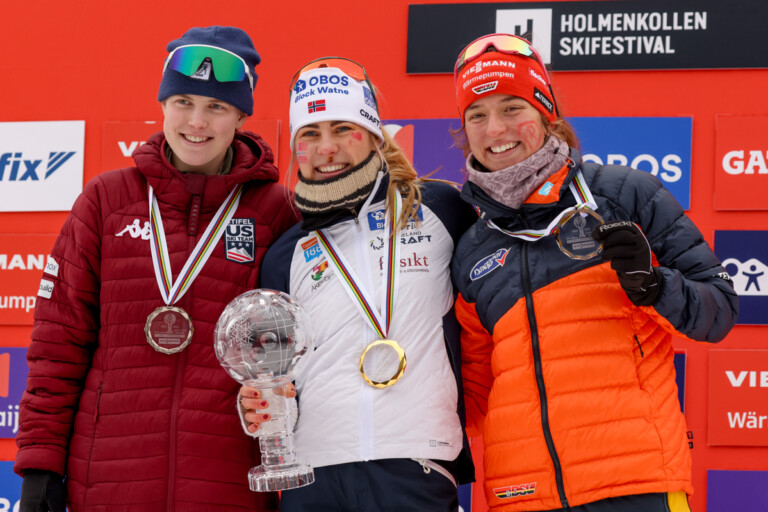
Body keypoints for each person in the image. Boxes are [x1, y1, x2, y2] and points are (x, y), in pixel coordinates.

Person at [14, 26, 299, 512]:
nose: (197, 121)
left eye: (217, 107)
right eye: (183, 101)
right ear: (163, 104)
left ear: (240, 116)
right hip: (107, 479)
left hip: (226, 482)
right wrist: (41, 464)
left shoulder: (275, 211)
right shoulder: (106, 201)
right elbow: (57, 345)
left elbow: (301, 355)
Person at [450, 34, 738, 512]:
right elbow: (475, 394)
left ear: (546, 114)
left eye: (511, 107)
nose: (494, 128)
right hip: (520, 494)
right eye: (476, 115)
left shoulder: (625, 194)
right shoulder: (472, 246)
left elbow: (720, 311)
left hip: (635, 484)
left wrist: (654, 286)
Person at [239, 57, 475, 511]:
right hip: (314, 476)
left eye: (342, 128)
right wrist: (264, 407)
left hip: (417, 465)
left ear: (372, 135)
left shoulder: (442, 210)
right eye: (310, 134)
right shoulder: (286, 254)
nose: (327, 147)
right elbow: (280, 379)